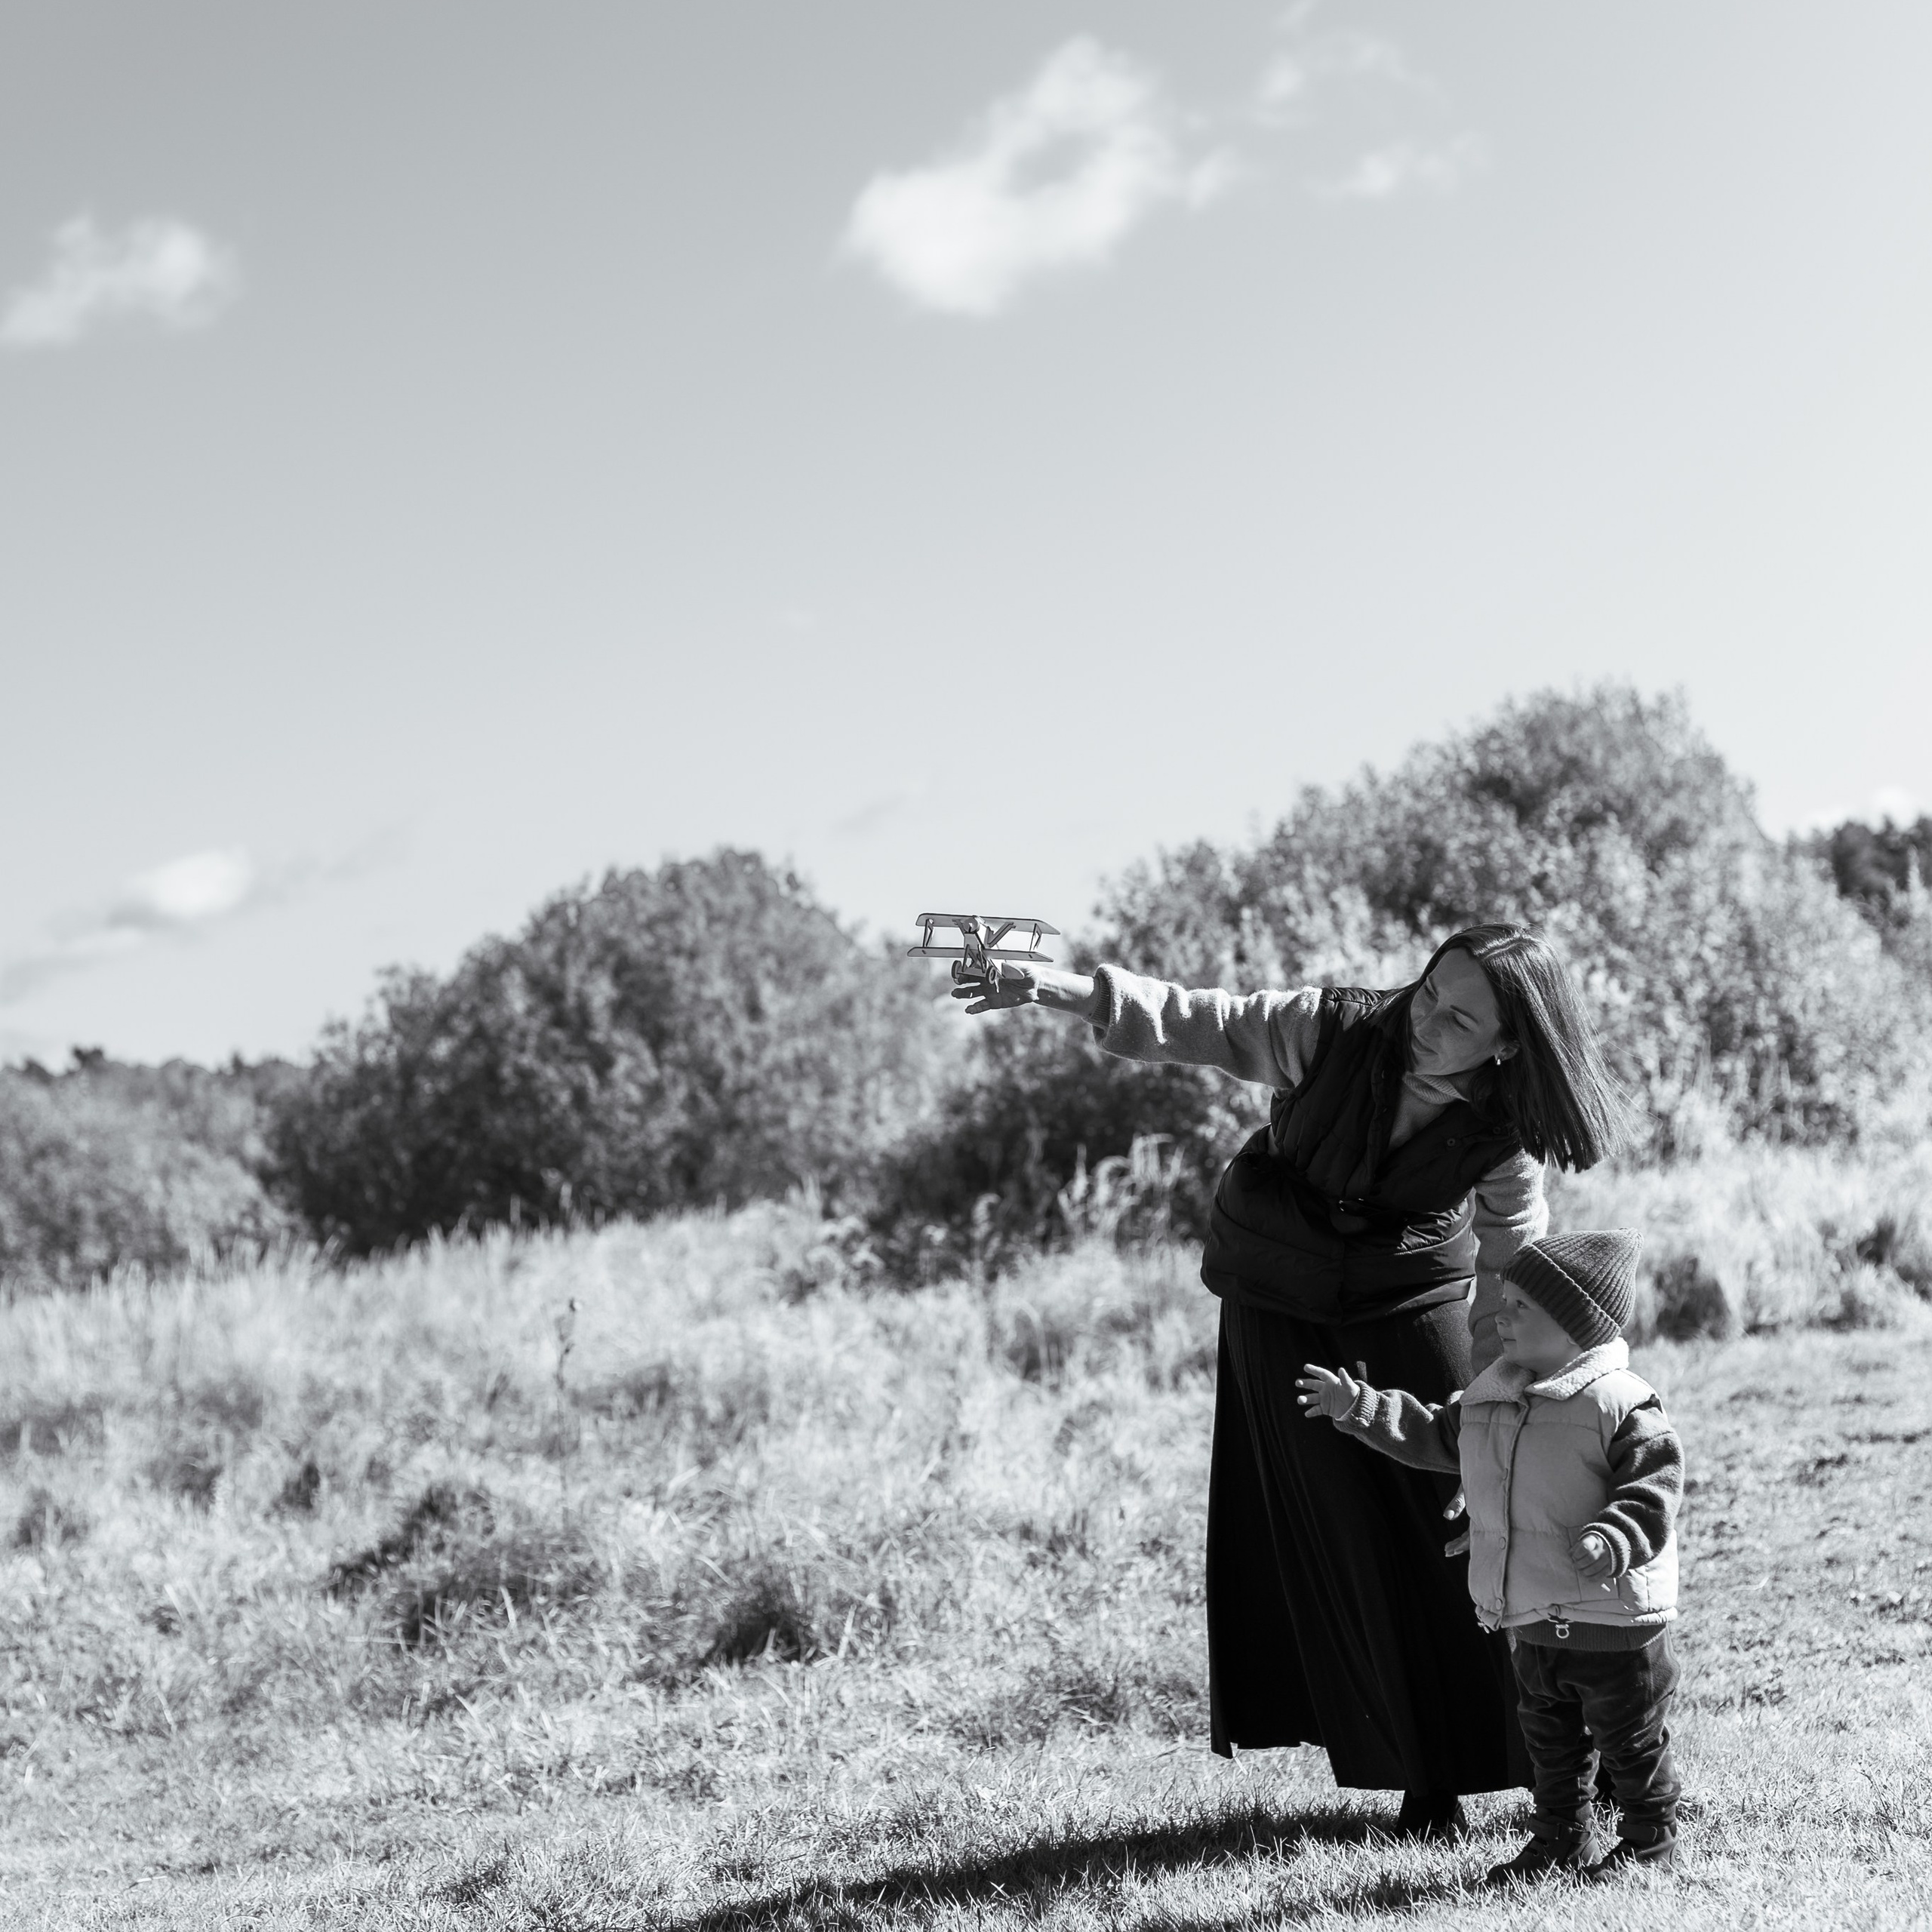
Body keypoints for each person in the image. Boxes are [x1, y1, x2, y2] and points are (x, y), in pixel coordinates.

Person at [958, 924, 1626, 1835]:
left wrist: (1489, 1411)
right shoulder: (1329, 1028)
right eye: (1430, 991)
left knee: (1449, 1510)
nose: (1427, 1020)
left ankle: (1582, 1752)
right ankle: (1423, 1781)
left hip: (1406, 1292)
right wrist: (1054, 989)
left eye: (1460, 1018)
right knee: (1344, 1532)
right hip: (1276, 1289)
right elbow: (1197, 1020)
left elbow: (1504, 1280)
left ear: (1507, 1044)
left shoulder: (1505, 1138)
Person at [1296, 1229, 1684, 1883]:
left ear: (1574, 1321)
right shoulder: (1490, 1397)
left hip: (1615, 1622)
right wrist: (1361, 1408)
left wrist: (1615, 1539)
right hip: (1531, 1613)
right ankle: (1562, 1837)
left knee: (1631, 1741)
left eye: (1520, 1307)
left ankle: (1651, 1840)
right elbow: (1430, 1432)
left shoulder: (1621, 1403)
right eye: (1503, 1301)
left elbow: (1654, 1486)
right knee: (1550, 1745)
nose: (1499, 1316)